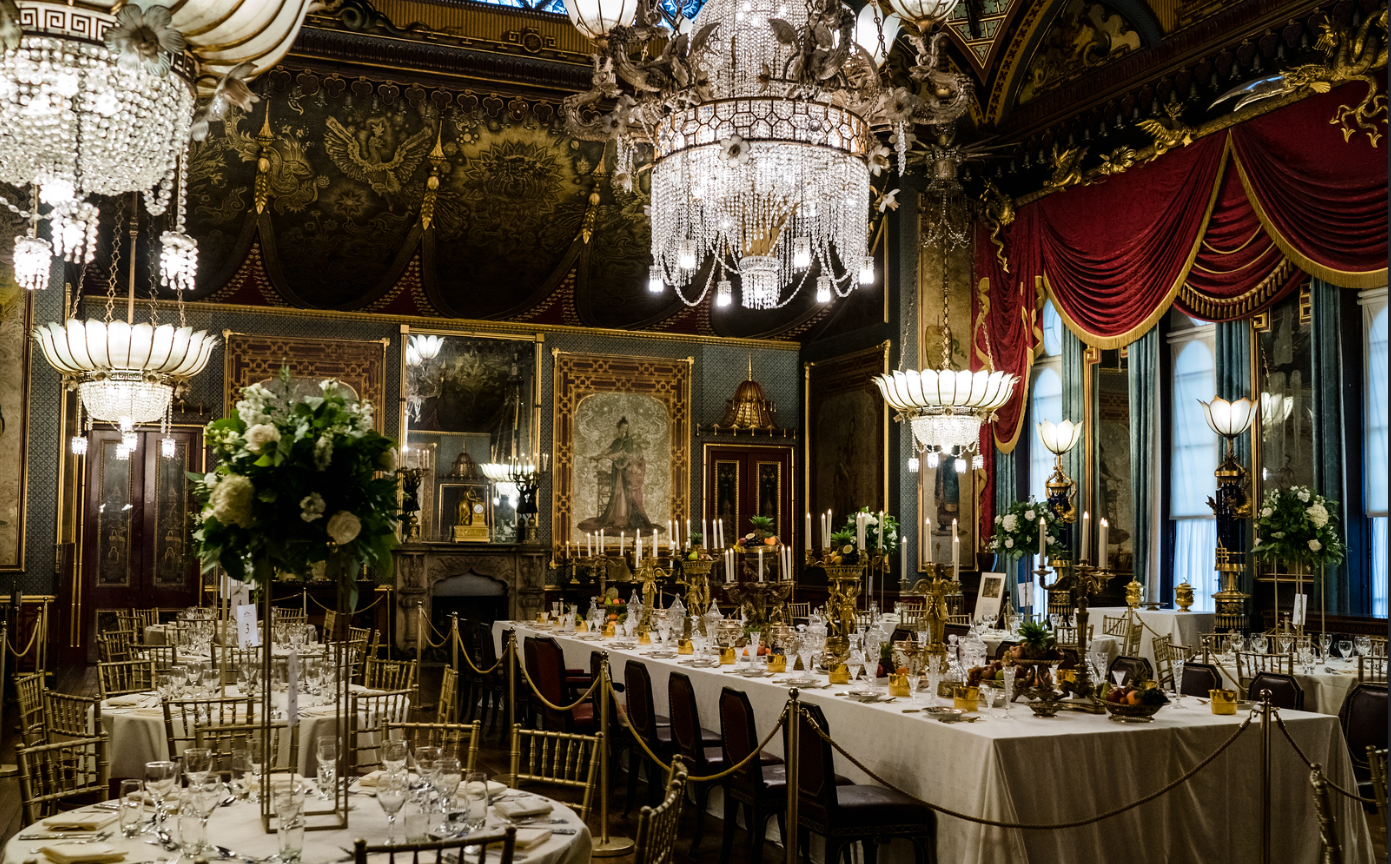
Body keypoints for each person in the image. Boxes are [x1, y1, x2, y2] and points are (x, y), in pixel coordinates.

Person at [579, 417, 656, 532]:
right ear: (618, 428)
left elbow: (622, 454)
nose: (624, 431)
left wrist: (606, 457)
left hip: (626, 470)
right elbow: (608, 449)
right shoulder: (616, 441)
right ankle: (615, 516)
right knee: (616, 492)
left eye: (626, 429)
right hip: (616, 469)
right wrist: (599, 456)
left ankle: (623, 518)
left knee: (624, 493)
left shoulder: (629, 441)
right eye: (622, 428)